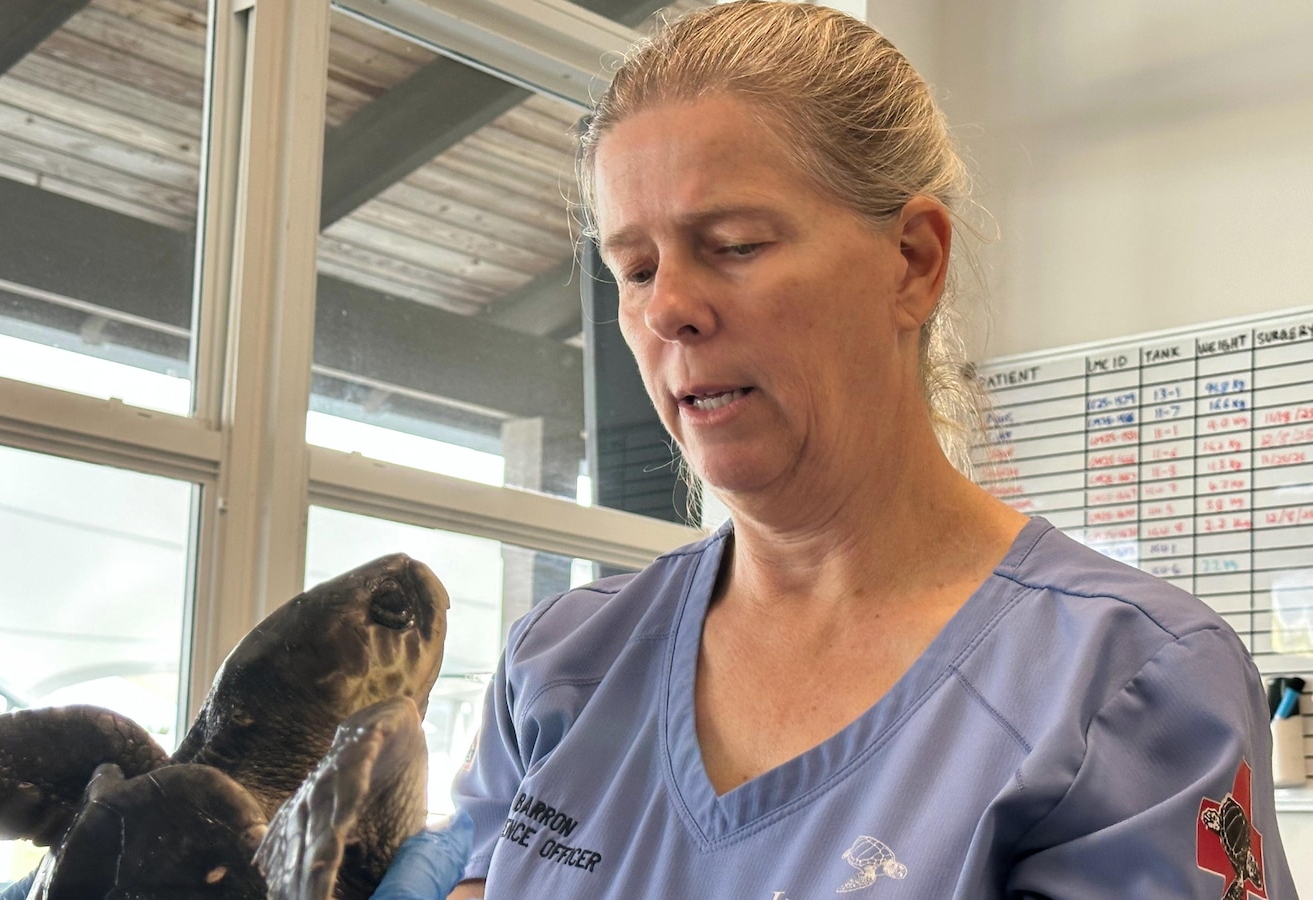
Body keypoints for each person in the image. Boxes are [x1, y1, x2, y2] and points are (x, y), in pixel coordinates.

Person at [375, 2, 1301, 898]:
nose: (668, 310)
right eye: (638, 269)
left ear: (914, 262)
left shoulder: (1127, 681)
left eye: (734, 245)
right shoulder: (563, 663)